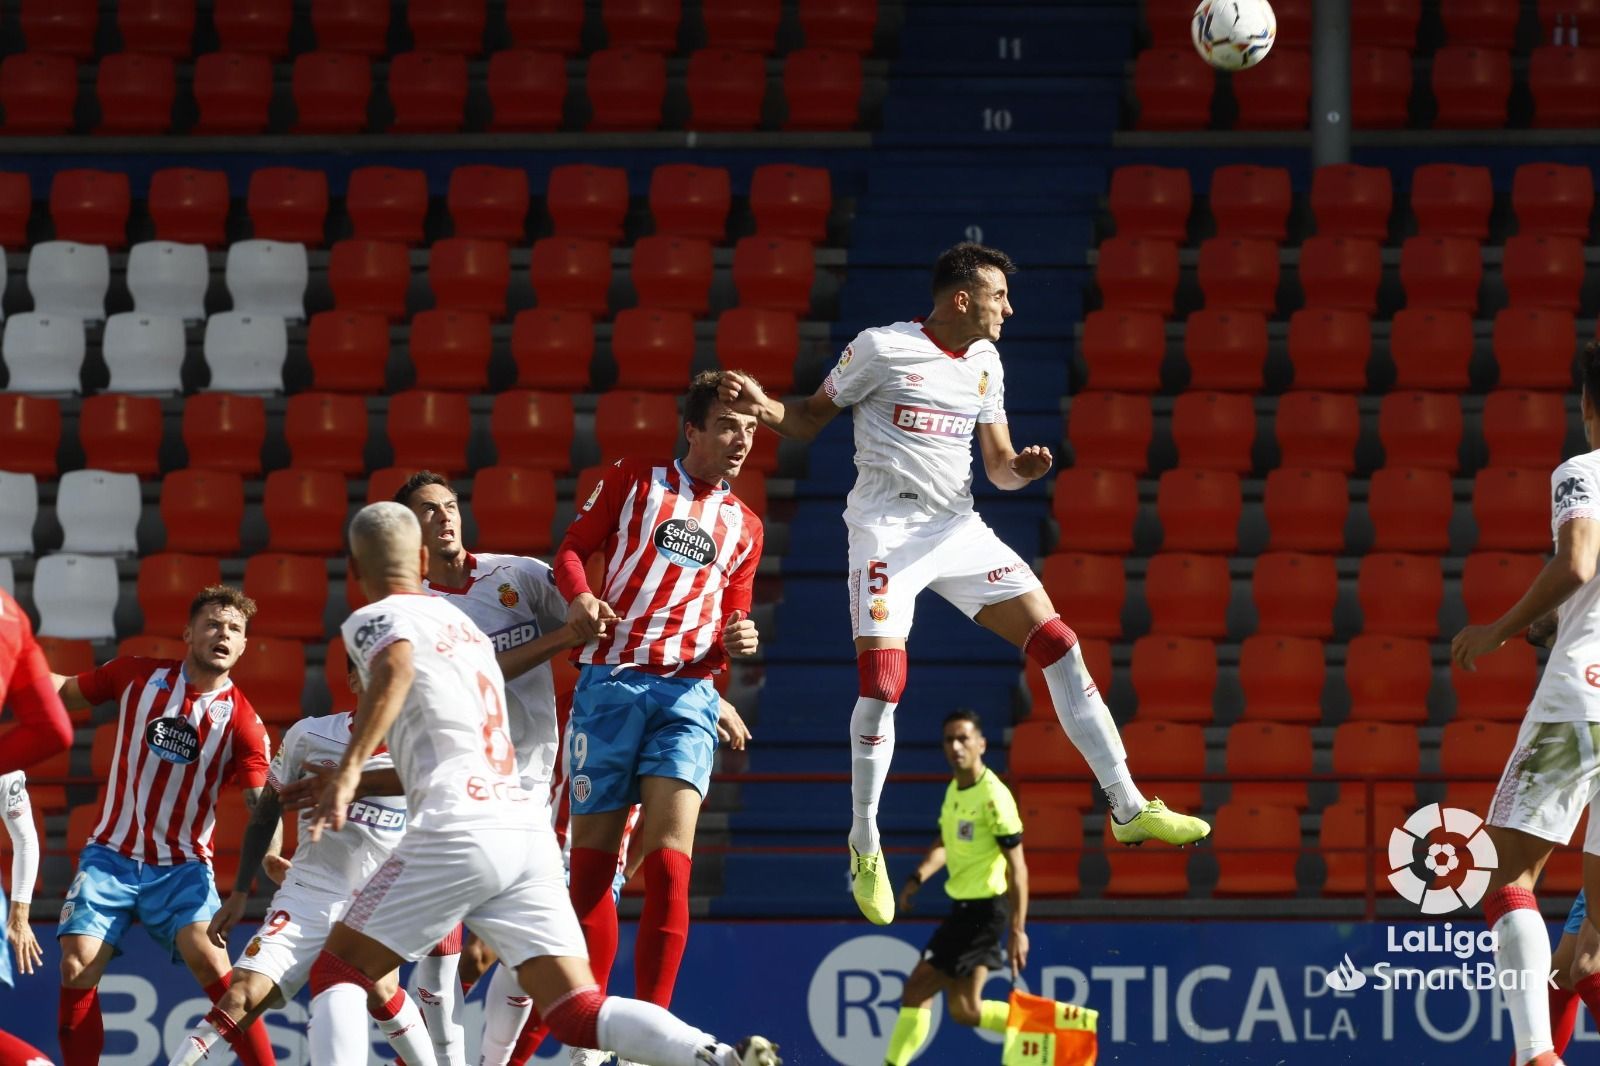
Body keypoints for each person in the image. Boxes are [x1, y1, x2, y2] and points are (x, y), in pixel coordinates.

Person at [717, 241, 1210, 925]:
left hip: (957, 529)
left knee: (1060, 642)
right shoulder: (880, 350)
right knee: (884, 685)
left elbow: (1000, 466)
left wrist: (1023, 472)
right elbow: (804, 421)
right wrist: (763, 404)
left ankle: (1127, 806)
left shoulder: (985, 361)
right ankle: (865, 840)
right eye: (998, 295)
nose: (1009, 307)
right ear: (960, 299)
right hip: (886, 532)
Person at [304, 501, 778, 1066]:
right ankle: (719, 1056)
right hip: (523, 826)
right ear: (424, 556)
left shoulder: (378, 617)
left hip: (456, 822)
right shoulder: (466, 626)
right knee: (575, 1008)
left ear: (357, 573)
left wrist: (352, 768)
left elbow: (397, 668)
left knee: (337, 970)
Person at [552, 368, 765, 1038]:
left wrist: (741, 633)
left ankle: (654, 1034)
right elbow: (572, 551)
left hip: (689, 693)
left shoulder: (745, 527)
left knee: (672, 864)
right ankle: (590, 1025)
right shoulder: (634, 479)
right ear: (694, 428)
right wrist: (581, 596)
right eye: (729, 425)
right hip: (612, 684)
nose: (741, 440)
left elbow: (735, 616)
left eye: (752, 429)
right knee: (595, 866)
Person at [393, 469, 591, 1066]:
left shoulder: (517, 575)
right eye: (429, 511)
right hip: (457, 788)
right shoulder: (412, 611)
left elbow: (593, 626)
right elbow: (473, 673)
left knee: (531, 940)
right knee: (439, 945)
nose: (445, 517)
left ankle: (495, 1062)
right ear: (409, 531)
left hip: (535, 781)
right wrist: (562, 639)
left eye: (449, 506)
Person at [48, 585, 278, 1066]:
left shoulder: (243, 723)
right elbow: (65, 690)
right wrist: (16, 671)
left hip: (182, 867)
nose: (224, 634)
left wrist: (272, 855)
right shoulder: (135, 675)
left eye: (235, 630)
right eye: (213, 624)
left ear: (242, 647)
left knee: (214, 963)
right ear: (188, 632)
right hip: (110, 854)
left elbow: (263, 804)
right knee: (76, 965)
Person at [167, 655, 436, 1066]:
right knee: (241, 993)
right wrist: (241, 890)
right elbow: (266, 811)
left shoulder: (423, 748)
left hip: (380, 897)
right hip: (311, 889)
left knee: (381, 989)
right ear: (351, 678)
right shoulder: (310, 735)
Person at [1452, 339, 1600, 1066]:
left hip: (1584, 697)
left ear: (1587, 406)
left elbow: (1578, 560)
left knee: (1505, 876)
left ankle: (1537, 1057)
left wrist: (1500, 629)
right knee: (1594, 938)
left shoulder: (1583, 471)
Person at [885, 709, 1096, 1064]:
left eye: (963, 738)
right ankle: (1055, 1030)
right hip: (966, 909)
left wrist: (1018, 929)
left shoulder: (994, 797)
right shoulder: (956, 789)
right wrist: (918, 876)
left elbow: (1019, 868)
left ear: (981, 744)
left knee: (917, 987)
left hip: (984, 911)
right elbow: (945, 842)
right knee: (965, 1010)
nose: (956, 746)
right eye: (949, 739)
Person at [0, 585, 73, 1064]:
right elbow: (55, 729)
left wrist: (20, 913)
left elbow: (25, 837)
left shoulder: (6, 774)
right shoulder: (11, 613)